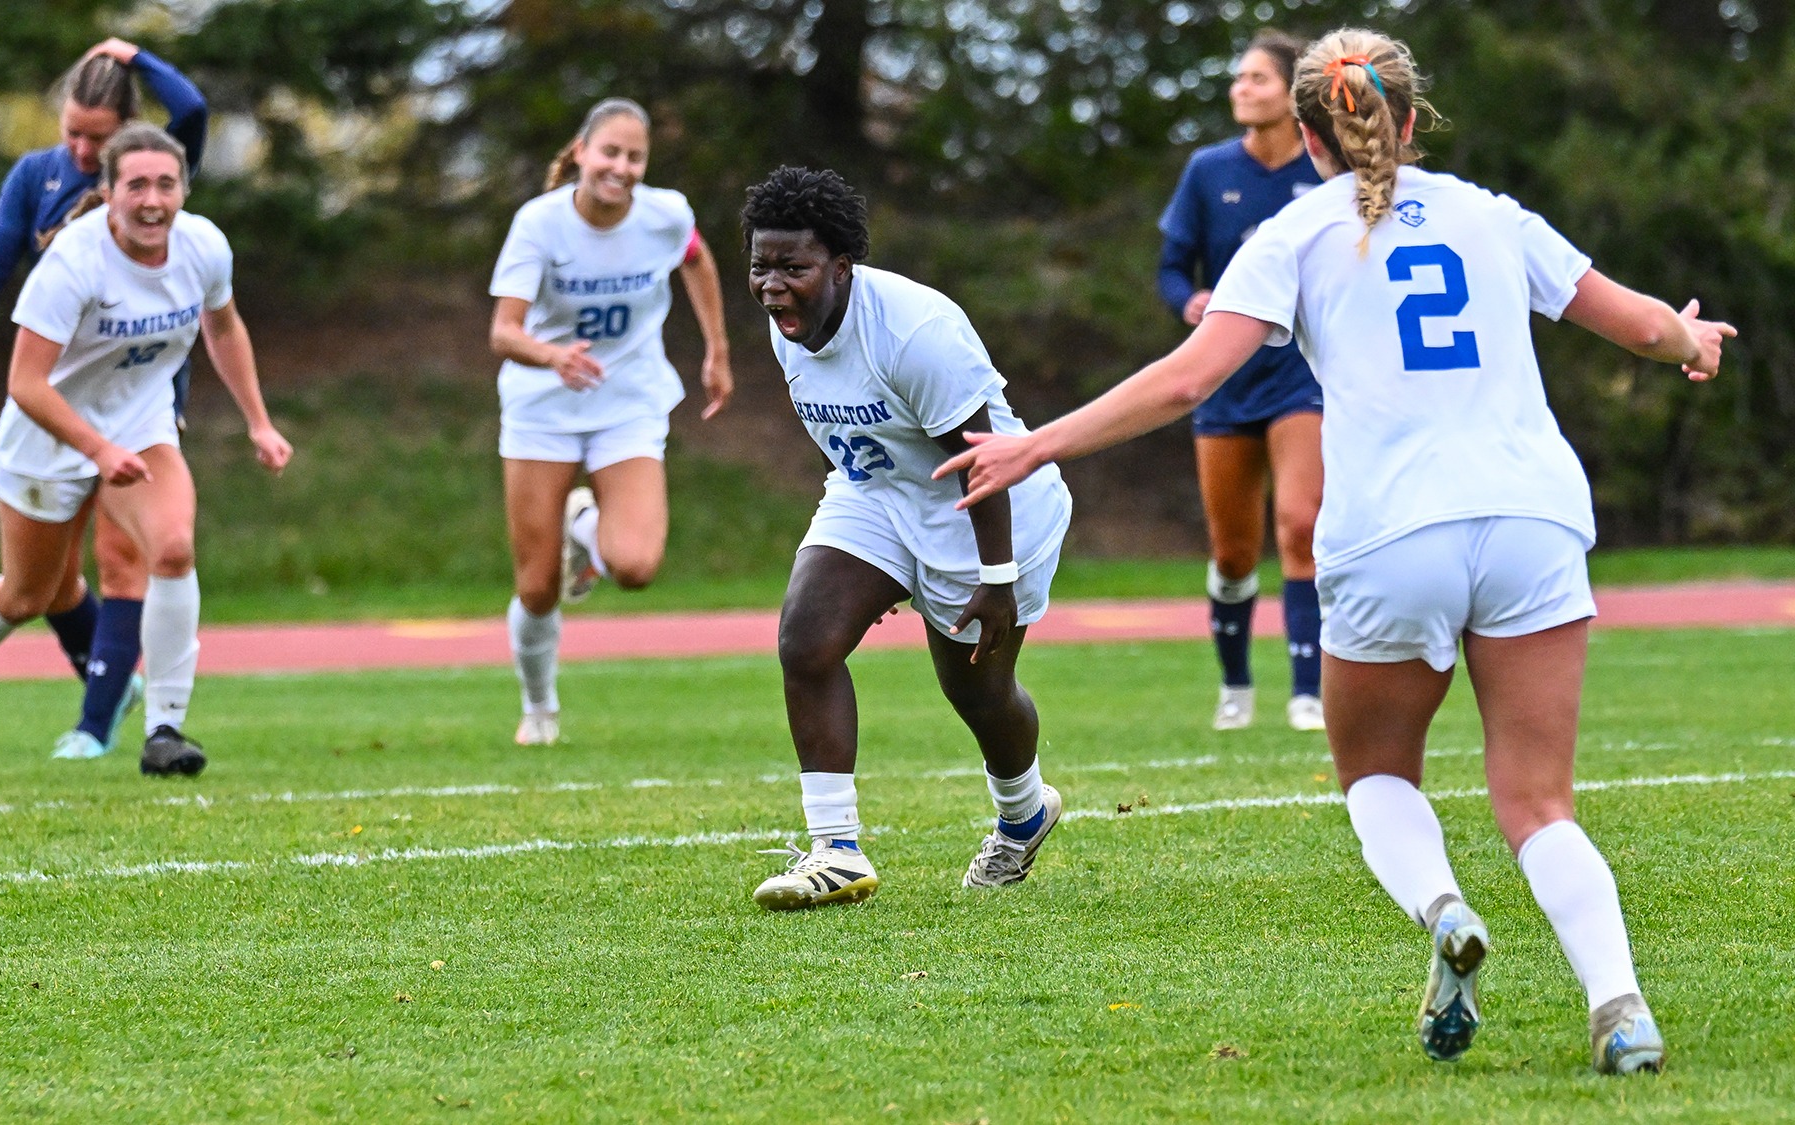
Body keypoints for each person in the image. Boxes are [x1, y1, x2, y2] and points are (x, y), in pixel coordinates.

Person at [935, 28, 1733, 1074]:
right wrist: (1691, 339)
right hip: (1532, 517)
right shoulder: (1491, 217)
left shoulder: (1291, 233)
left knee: (1375, 778)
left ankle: (1443, 908)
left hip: (1389, 532)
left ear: (1307, 135)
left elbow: (1186, 381)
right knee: (1537, 802)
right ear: (1407, 119)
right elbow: (1636, 328)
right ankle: (1619, 1004)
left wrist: (1034, 443)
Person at [740, 166, 1075, 911]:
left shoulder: (915, 331)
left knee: (977, 691)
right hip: (878, 492)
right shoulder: (785, 318)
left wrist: (997, 577)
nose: (772, 285)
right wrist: (875, 563)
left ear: (841, 266)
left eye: (793, 267)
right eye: (761, 265)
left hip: (984, 505)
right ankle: (835, 850)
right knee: (806, 638)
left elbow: (980, 456)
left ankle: (1024, 811)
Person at [0, 125, 294, 777]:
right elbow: (25, 384)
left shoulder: (204, 246)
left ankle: (164, 729)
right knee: (28, 595)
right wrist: (96, 449)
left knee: (173, 548)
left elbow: (224, 326)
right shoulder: (73, 261)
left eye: (167, 183)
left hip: (142, 427)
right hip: (47, 436)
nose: (153, 200)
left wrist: (259, 422)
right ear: (110, 192)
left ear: (184, 188)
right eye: (137, 185)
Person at [0, 38, 209, 761]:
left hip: (143, 399)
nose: (84, 151)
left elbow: (195, 111)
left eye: (100, 137)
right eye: (72, 134)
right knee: (39, 590)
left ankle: (111, 725)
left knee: (138, 552)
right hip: (55, 403)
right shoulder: (35, 179)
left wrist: (139, 55)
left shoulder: (150, 180)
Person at [487, 97, 733, 747]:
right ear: (581, 153)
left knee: (636, 565)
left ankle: (585, 524)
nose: (621, 168)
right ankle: (539, 707)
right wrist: (553, 355)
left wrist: (716, 348)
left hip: (628, 401)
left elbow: (697, 260)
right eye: (610, 153)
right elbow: (503, 332)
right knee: (537, 586)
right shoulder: (540, 225)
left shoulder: (665, 213)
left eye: (635, 157)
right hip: (542, 407)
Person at [1157, 30, 1327, 732]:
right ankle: (1236, 686)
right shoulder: (1207, 170)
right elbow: (1172, 267)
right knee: (1231, 550)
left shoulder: (1323, 173)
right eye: (1238, 79)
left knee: (1300, 525)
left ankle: (1308, 692)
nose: (1240, 90)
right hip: (1225, 379)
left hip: (1299, 375)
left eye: (1257, 79)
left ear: (1293, 94)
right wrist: (1188, 302)